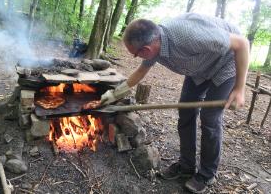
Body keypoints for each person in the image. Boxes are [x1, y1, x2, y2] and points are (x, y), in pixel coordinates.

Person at [100, 13, 249, 193]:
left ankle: (207, 174)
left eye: (135, 55)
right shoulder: (154, 45)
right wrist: (114, 94)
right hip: (198, 69)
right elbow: (140, 73)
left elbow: (242, 44)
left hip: (226, 64)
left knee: (210, 118)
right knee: (185, 112)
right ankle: (186, 166)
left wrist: (239, 89)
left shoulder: (189, 36)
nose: (137, 58)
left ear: (146, 49)